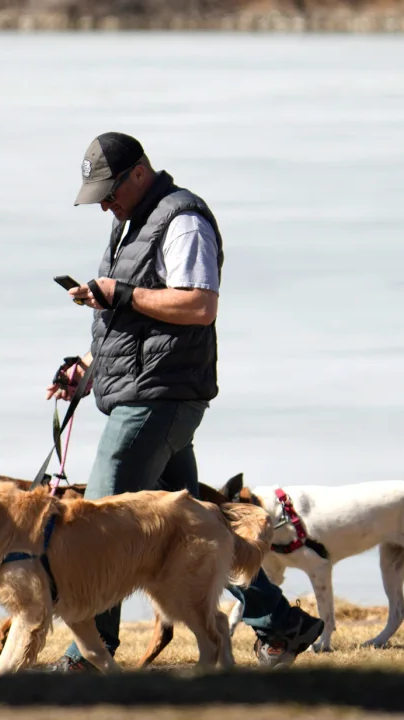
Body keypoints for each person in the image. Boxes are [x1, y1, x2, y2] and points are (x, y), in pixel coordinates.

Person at [43, 131, 323, 671]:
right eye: (97, 194)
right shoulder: (128, 223)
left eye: (108, 190)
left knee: (102, 517)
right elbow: (126, 321)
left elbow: (199, 305)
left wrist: (119, 293)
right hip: (143, 390)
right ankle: (281, 623)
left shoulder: (182, 219)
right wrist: (87, 369)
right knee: (198, 525)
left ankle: (89, 657)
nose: (103, 202)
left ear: (139, 173)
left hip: (162, 396)